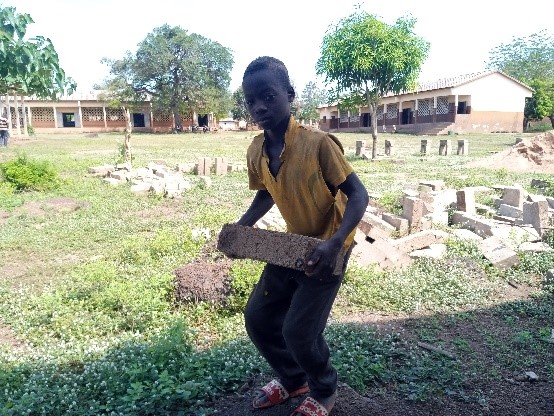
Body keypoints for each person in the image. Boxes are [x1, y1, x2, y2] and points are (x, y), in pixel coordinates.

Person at [236, 56, 369, 416]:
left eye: (268, 96)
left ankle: (324, 389)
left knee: (299, 332)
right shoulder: (256, 151)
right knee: (259, 319)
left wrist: (336, 242)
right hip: (291, 246)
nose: (259, 106)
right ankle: (294, 379)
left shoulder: (318, 144)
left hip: (328, 249)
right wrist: (242, 226)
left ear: (290, 95)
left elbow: (358, 194)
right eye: (251, 101)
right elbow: (267, 190)